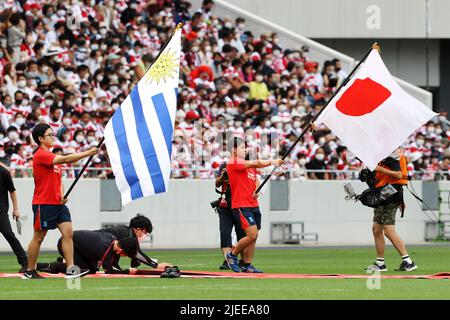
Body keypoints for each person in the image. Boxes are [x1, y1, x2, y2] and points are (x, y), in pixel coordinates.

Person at [23, 123, 98, 279]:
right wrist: (87, 153)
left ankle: (71, 268)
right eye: (50, 135)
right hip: (43, 203)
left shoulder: (51, 157)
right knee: (38, 237)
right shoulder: (41, 155)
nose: (53, 137)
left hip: (58, 204)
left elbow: (59, 181)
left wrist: (62, 195)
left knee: (68, 233)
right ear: (41, 138)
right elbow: (66, 159)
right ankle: (30, 271)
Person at [225, 137, 284, 273]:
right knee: (251, 234)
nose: (245, 149)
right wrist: (273, 162)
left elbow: (255, 182)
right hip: (241, 204)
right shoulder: (233, 162)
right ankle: (232, 255)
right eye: (241, 147)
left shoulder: (248, 167)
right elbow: (256, 163)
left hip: (253, 204)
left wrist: (256, 190)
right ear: (233, 150)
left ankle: (247, 265)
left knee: (254, 236)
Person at [366, 148, 417, 272]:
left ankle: (408, 262)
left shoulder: (392, 153)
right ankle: (380, 263)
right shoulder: (385, 153)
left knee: (388, 231)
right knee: (376, 229)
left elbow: (398, 175)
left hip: (390, 193)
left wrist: (378, 168)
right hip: (383, 192)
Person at [37, 230, 139, 275]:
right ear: (120, 251)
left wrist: (122, 270)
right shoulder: (105, 248)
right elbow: (109, 270)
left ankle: (63, 262)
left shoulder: (112, 239)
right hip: (66, 244)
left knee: (91, 270)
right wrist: (126, 271)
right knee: (80, 270)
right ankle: (51, 266)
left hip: (75, 246)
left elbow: (111, 262)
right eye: (124, 255)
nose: (123, 257)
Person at [214, 162, 245, 270]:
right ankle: (228, 262)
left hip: (239, 204)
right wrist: (223, 176)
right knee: (225, 234)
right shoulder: (225, 165)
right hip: (225, 205)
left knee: (242, 235)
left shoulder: (243, 166)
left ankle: (243, 261)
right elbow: (217, 183)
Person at [0, 162, 28, 272]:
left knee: (9, 235)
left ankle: (25, 263)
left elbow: (12, 191)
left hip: (0, 213)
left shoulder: (3, 172)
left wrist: (16, 209)